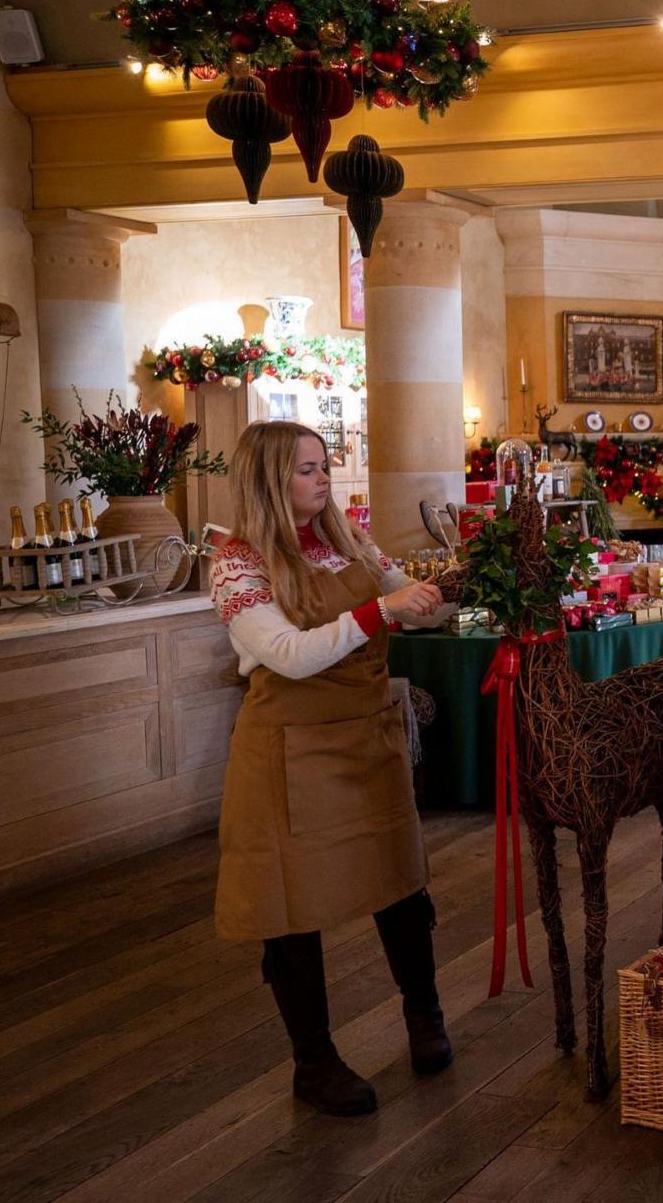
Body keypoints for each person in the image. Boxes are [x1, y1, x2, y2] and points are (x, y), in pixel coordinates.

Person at [208, 420, 453, 1116]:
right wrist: (381, 610)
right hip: (290, 749)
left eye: (325, 465)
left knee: (400, 882)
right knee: (289, 905)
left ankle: (424, 1016)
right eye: (308, 468)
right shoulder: (237, 563)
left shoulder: (352, 543)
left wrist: (444, 593)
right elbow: (287, 653)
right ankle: (313, 1060)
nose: (324, 478)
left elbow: (415, 604)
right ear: (270, 478)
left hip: (366, 740)